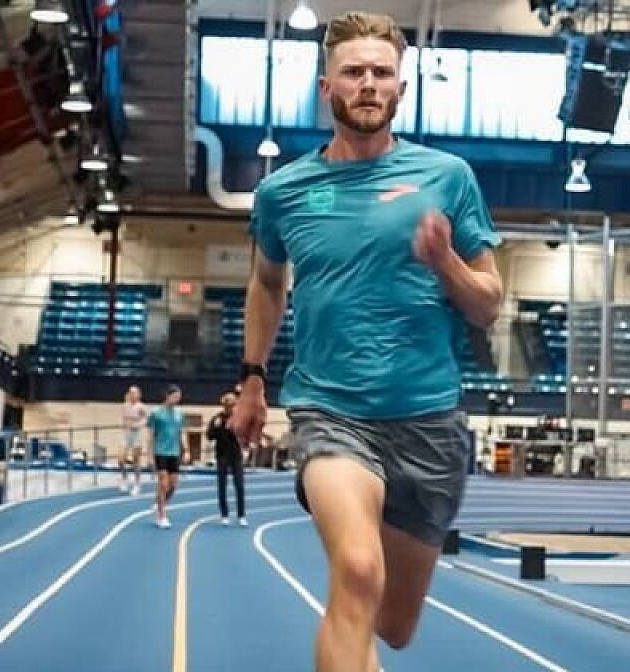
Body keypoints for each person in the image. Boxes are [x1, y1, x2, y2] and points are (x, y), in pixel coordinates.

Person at [230, 11, 503, 672]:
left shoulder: (447, 177)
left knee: (393, 626)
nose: (369, 84)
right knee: (356, 570)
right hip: (330, 412)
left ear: (401, 88)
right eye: (353, 72)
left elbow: (488, 304)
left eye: (382, 72)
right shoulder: (283, 192)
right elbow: (266, 283)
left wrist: (446, 262)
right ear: (327, 87)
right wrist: (253, 379)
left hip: (427, 421)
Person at [146, 384, 186, 529]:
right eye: (175, 396)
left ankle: (160, 503)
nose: (177, 399)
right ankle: (161, 515)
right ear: (167, 396)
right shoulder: (156, 413)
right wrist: (149, 455)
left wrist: (185, 450)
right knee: (163, 484)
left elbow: (181, 433)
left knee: (173, 486)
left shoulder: (179, 414)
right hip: (160, 451)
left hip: (174, 452)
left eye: (179, 397)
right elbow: (151, 436)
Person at [206, 391, 247, 526]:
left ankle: (241, 515)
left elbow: (243, 434)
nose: (230, 407)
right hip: (222, 455)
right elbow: (209, 436)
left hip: (236, 455)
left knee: (239, 486)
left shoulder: (239, 419)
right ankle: (224, 514)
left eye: (233, 405)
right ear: (224, 405)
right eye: (228, 405)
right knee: (222, 486)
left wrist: (235, 429)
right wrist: (216, 427)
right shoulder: (217, 418)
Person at [119, 385, 148, 496]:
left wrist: (137, 424)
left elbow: (145, 420)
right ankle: (124, 478)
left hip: (137, 434)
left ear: (139, 395)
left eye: (135, 393)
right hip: (126, 433)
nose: (133, 395)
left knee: (136, 459)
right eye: (131, 393)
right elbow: (123, 418)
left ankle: (137, 483)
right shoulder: (125, 406)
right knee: (121, 458)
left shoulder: (141, 407)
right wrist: (124, 424)